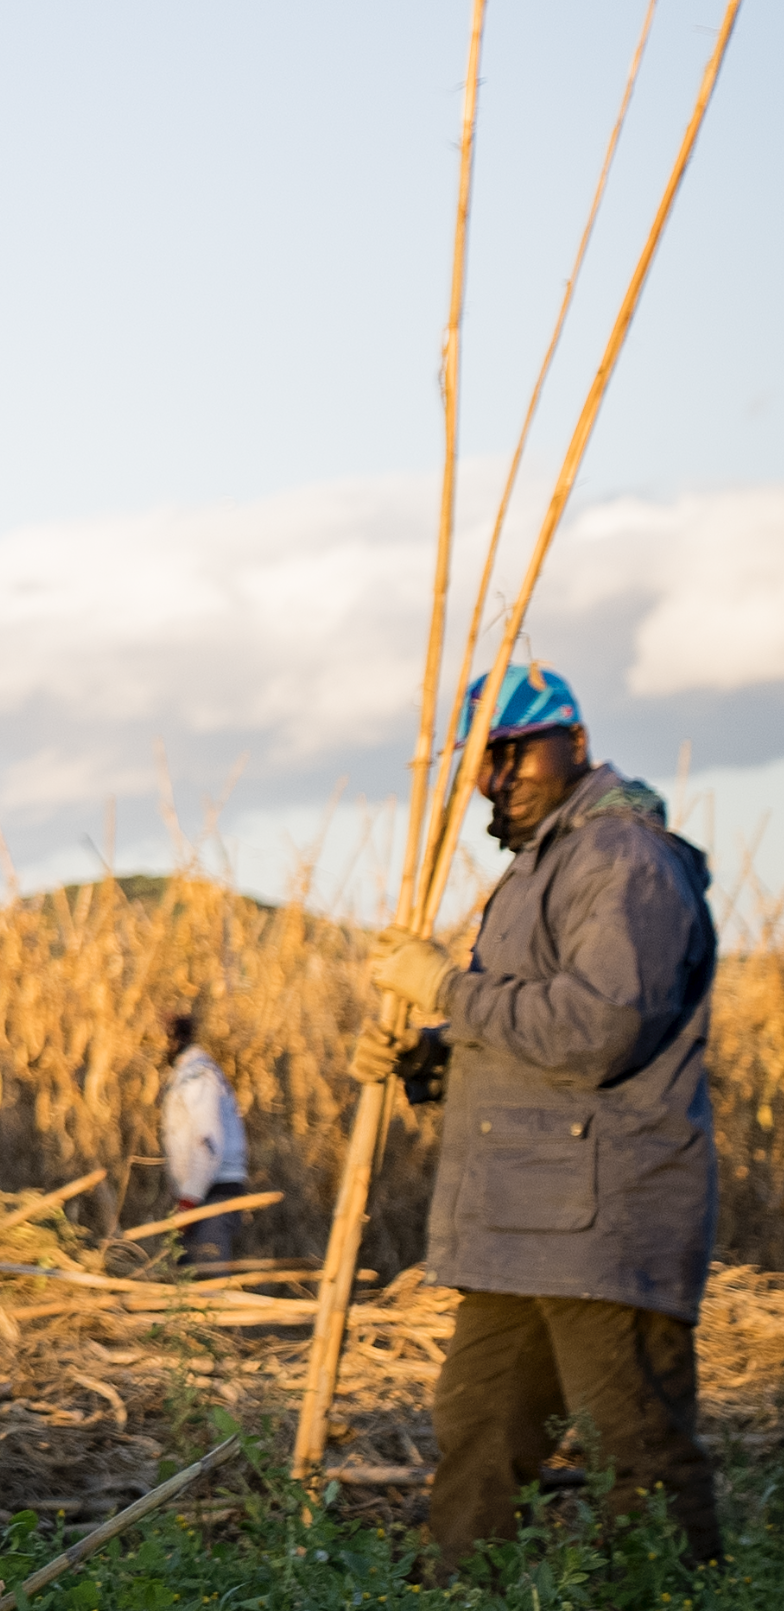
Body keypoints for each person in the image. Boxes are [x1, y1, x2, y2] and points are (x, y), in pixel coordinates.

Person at [352, 664, 719, 1573]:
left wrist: (443, 985)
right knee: (477, 1439)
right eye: (485, 759)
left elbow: (599, 1029)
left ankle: (677, 1597)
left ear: (578, 744)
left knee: (640, 1460)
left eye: (520, 751)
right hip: (521, 1225)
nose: (501, 775)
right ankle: (461, 1594)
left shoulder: (622, 858)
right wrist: (431, 1051)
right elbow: (523, 1028)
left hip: (605, 1226)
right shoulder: (541, 868)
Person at [158, 1009, 249, 1270]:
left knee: (206, 1278)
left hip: (212, 1190)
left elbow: (207, 1144)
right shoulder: (189, 1075)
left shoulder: (197, 1077)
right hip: (200, 1191)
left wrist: (188, 1202)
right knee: (189, 1274)